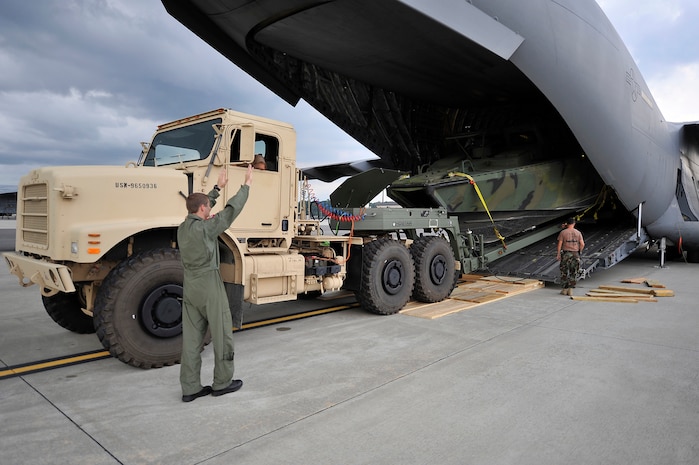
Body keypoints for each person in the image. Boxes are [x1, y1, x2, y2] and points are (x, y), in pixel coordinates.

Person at [177, 165, 253, 402]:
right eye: (208, 206)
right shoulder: (207, 228)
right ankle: (222, 382)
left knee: (191, 341)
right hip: (209, 284)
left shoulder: (183, 228)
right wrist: (246, 186)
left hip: (190, 285)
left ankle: (190, 389)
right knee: (222, 335)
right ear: (202, 209)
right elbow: (230, 211)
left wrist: (216, 188)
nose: (210, 209)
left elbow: (201, 206)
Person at [556, 217, 585, 296]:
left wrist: (558, 254)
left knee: (564, 272)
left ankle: (564, 289)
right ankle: (571, 290)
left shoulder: (563, 232)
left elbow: (559, 244)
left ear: (567, 224)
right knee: (574, 272)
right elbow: (582, 244)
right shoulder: (578, 232)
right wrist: (580, 251)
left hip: (566, 254)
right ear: (574, 224)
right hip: (575, 254)